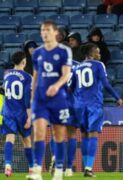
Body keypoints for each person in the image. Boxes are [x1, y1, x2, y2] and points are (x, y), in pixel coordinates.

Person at [70, 43, 123, 177]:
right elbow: (105, 84)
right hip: (94, 104)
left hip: (79, 106)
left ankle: (86, 168)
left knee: (84, 136)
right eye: (97, 52)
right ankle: (88, 168)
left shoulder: (77, 67)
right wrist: (117, 97)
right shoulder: (99, 65)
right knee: (93, 134)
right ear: (91, 54)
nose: (99, 55)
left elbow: (71, 88)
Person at [28, 20, 72, 180]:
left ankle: (59, 170)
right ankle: (37, 171)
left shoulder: (64, 51)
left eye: (47, 30)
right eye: (42, 30)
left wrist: (57, 86)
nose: (44, 33)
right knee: (39, 132)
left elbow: (66, 74)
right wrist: (32, 97)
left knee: (58, 135)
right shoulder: (37, 53)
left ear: (55, 32)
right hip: (40, 99)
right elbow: (36, 76)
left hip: (58, 98)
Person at [1, 51, 33, 177]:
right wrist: (29, 117)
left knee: (9, 138)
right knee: (27, 141)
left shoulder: (6, 74)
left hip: (8, 111)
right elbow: (27, 98)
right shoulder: (27, 77)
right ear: (24, 61)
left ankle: (8, 166)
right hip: (21, 113)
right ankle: (31, 169)